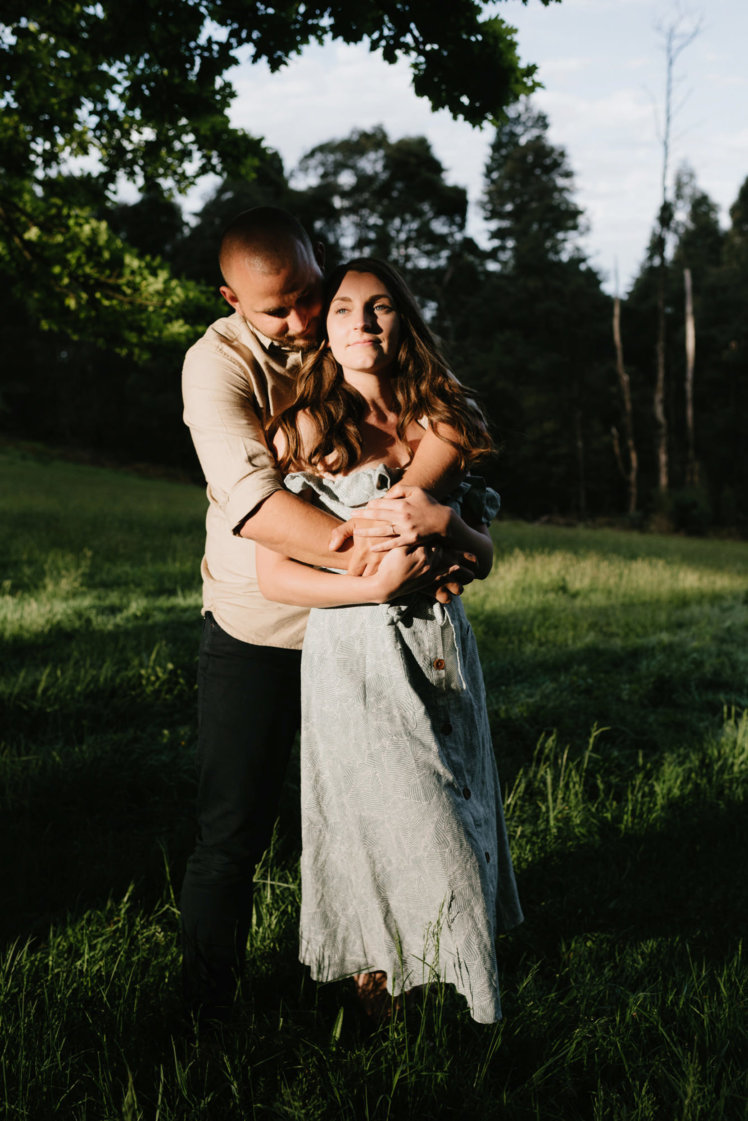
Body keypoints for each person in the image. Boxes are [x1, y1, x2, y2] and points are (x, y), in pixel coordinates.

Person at [179, 208, 473, 1022]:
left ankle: (378, 985)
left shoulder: (350, 323)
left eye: (312, 294)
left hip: (365, 637)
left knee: (371, 813)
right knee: (233, 828)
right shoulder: (215, 367)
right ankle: (205, 1008)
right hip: (261, 622)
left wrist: (442, 539)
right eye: (279, 310)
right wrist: (382, 566)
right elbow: (258, 508)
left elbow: (439, 429)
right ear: (231, 298)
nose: (305, 320)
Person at [256, 258, 523, 1024]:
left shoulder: (443, 414)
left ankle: (457, 981)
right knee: (384, 811)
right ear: (323, 327)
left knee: (454, 802)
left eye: (380, 309)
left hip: (441, 645)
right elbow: (276, 574)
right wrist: (369, 583)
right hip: (354, 650)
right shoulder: (300, 427)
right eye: (344, 309)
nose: (363, 323)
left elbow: (477, 554)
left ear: (403, 320)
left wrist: (445, 525)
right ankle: (379, 992)